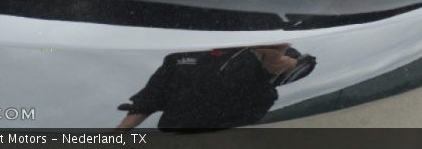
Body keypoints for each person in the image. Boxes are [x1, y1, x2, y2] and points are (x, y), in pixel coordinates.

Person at [116, 44, 316, 130]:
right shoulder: (180, 55)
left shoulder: (266, 53)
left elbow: (299, 66)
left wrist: (273, 70)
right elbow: (150, 98)